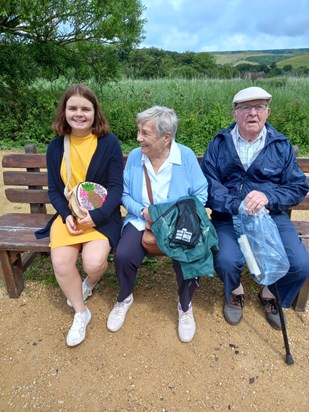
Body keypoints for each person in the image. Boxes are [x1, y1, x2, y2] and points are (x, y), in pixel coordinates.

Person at [200, 86, 309, 329]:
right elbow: (208, 185)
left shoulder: (280, 145)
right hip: (229, 216)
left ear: (267, 112)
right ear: (234, 114)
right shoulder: (219, 143)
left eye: (259, 107)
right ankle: (235, 291)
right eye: (245, 108)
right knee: (226, 260)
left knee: (301, 265)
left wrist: (268, 196)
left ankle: (270, 292)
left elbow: (297, 187)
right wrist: (237, 204)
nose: (253, 113)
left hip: (271, 217)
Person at [106, 106, 209, 343]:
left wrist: (179, 215)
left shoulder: (185, 156)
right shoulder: (134, 157)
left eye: (144, 133)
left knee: (188, 258)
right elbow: (124, 194)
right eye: (139, 131)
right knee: (123, 256)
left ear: (166, 137)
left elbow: (201, 193)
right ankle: (124, 297)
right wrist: (143, 211)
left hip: (177, 222)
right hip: (142, 220)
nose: (138, 138)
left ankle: (185, 305)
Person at [36, 83, 123, 346]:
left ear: (95, 112)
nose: (79, 113)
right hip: (70, 216)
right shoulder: (55, 147)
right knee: (61, 263)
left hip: (102, 217)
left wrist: (97, 217)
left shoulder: (109, 143)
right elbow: (53, 189)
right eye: (72, 108)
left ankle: (89, 282)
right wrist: (65, 215)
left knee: (93, 263)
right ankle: (80, 313)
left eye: (86, 108)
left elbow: (117, 188)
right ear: (64, 112)